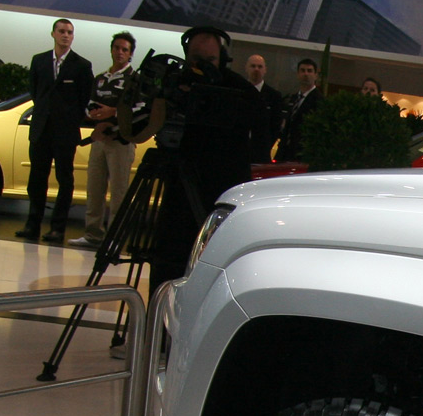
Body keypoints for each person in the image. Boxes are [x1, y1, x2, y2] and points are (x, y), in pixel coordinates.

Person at [121, 25, 261, 294]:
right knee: (167, 257)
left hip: (217, 189)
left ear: (223, 58)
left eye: (210, 60)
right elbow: (136, 124)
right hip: (178, 187)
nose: (202, 67)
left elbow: (256, 132)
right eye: (196, 59)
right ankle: (157, 314)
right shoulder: (175, 83)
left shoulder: (240, 92)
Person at [71, 31, 147, 250]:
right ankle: (92, 234)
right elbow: (90, 103)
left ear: (130, 54)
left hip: (121, 141)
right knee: (94, 188)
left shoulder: (135, 79)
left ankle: (114, 239)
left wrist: (113, 112)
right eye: (117, 48)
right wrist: (94, 114)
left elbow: (141, 109)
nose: (120, 52)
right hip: (99, 139)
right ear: (111, 50)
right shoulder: (101, 78)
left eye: (125, 49)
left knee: (119, 192)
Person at [20, 18, 94, 242]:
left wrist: (68, 119)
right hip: (41, 129)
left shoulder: (82, 65)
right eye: (61, 31)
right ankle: (32, 225)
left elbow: (84, 99)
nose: (65, 35)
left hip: (65, 131)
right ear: (53, 33)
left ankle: (58, 228)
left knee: (65, 179)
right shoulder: (39, 60)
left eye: (69, 32)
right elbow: (36, 93)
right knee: (36, 179)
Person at [275, 57, 322, 162]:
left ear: (316, 75)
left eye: (309, 71)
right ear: (298, 74)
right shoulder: (293, 98)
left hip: (302, 155)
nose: (306, 74)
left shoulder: (319, 101)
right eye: (303, 70)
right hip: (285, 154)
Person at [243, 54, 284, 164]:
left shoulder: (274, 96)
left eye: (260, 66)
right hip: (240, 150)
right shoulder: (239, 92)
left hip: (262, 153)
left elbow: (276, 125)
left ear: (265, 70)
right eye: (253, 66)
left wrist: (267, 144)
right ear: (246, 68)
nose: (256, 69)